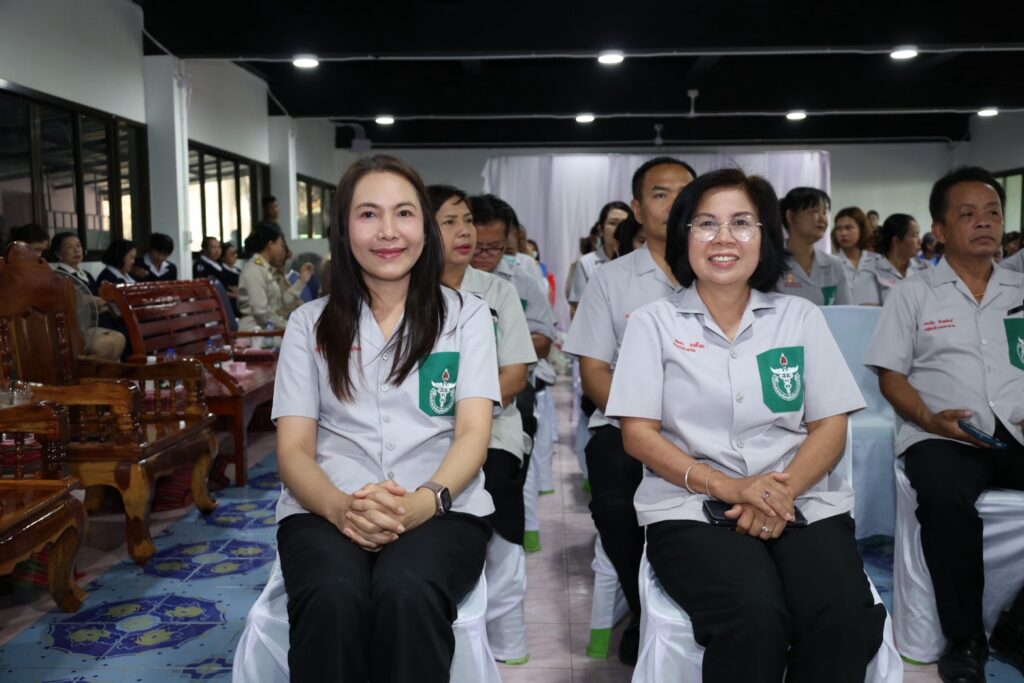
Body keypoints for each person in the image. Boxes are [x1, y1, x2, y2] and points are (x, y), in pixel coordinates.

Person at [606, 168, 885, 682]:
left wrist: (780, 493)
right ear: (685, 235)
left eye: (741, 222)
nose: (724, 238)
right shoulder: (653, 322)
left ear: (765, 237)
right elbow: (637, 434)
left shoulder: (799, 317)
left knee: (841, 617)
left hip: (802, 500)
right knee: (753, 618)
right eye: (706, 223)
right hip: (692, 506)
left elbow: (830, 424)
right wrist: (732, 487)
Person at [272, 155, 499, 683]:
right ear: (343, 228)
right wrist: (342, 509)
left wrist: (423, 503)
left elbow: (472, 434)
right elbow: (293, 450)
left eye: (404, 213)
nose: (388, 232)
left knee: (406, 592)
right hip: (326, 505)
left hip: (443, 505)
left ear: (425, 226)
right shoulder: (309, 324)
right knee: (331, 596)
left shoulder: (464, 316)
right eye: (369, 214)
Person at [866, 166, 1024, 682]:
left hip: (1018, 430)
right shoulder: (914, 293)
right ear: (940, 229)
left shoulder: (1020, 288)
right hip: (944, 435)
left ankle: (1016, 625)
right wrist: (928, 418)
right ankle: (965, 639)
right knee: (943, 497)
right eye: (968, 214)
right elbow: (891, 375)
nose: (985, 222)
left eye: (993, 212)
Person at [564, 156, 696, 665]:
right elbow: (595, 372)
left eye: (685, 192)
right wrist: (645, 421)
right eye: (661, 194)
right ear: (638, 209)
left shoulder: (722, 270)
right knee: (614, 502)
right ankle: (645, 609)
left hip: (710, 427)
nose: (675, 204)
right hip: (626, 424)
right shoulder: (611, 279)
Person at [430, 183, 537, 665]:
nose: (465, 232)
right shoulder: (403, 293)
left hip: (492, 430)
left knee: (499, 507)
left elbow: (514, 375)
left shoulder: (497, 292)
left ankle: (508, 639)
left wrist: (463, 414)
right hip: (421, 434)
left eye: (467, 220)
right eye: (449, 222)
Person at [49, 231, 126, 361]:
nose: (76, 250)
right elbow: (69, 304)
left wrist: (98, 304)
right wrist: (92, 303)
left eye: (78, 245)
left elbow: (100, 300)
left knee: (120, 338)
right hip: (77, 326)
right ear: (58, 253)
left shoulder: (85, 274)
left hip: (97, 321)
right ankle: (84, 372)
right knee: (105, 345)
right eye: (69, 247)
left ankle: (105, 373)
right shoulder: (59, 276)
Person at [775, 187, 852, 306]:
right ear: (791, 216)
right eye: (814, 211)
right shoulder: (771, 263)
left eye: (825, 212)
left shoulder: (835, 265)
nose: (822, 219)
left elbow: (846, 312)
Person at [237, 225, 314, 332]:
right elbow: (261, 313)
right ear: (270, 245)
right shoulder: (254, 270)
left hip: (267, 330)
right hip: (255, 332)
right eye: (280, 245)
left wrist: (301, 281)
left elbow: (279, 304)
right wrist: (288, 326)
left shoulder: (264, 268)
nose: (282, 250)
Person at [568, 201, 632, 317]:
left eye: (624, 223)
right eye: (613, 223)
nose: (619, 228)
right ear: (601, 230)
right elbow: (579, 308)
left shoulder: (636, 261)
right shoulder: (586, 263)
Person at [862, 213, 931, 305]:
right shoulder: (871, 270)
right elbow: (869, 310)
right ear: (896, 241)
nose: (920, 241)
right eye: (915, 235)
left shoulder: (926, 268)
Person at [831, 206, 883, 304]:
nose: (843, 233)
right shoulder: (831, 263)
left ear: (861, 229)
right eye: (839, 228)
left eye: (848, 228)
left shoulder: (877, 260)